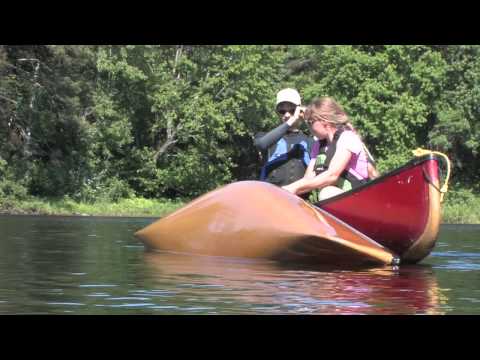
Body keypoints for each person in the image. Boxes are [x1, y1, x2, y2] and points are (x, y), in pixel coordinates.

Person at [282, 97, 378, 200]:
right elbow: (308, 178)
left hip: (361, 199)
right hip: (341, 201)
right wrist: (284, 190)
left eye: (310, 122)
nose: (308, 127)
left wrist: (294, 188)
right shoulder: (318, 146)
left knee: (327, 193)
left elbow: (332, 175)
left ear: (324, 121)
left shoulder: (347, 138)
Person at [254, 88, 313, 187]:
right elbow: (261, 144)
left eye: (292, 110)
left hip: (299, 199)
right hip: (270, 196)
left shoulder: (309, 140)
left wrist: (309, 119)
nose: (287, 115)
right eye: (282, 111)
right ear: (277, 112)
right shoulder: (266, 136)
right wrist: (292, 120)